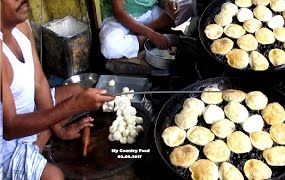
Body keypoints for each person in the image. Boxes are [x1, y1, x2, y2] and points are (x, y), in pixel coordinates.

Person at [1, 0, 115, 179]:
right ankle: (33, 149)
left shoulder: (21, 25)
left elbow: (39, 83)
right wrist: (74, 106)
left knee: (76, 90)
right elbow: (10, 129)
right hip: (7, 143)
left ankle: (39, 142)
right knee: (55, 176)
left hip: (29, 113)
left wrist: (60, 130)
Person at [99, 0, 193, 59]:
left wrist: (168, 3)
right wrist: (151, 34)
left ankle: (137, 35)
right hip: (122, 19)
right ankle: (144, 38)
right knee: (110, 47)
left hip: (150, 13)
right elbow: (118, 12)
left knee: (189, 4)